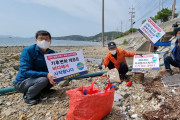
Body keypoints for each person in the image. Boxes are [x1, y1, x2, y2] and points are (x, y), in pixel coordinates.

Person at [14, 30, 56, 105]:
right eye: (41, 39)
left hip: (39, 79)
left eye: (46, 39)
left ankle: (43, 90)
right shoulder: (28, 51)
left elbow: (54, 67)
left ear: (50, 41)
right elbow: (25, 71)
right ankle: (28, 97)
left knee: (57, 75)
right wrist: (46, 74)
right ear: (36, 40)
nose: (44, 41)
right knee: (43, 79)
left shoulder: (51, 53)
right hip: (23, 82)